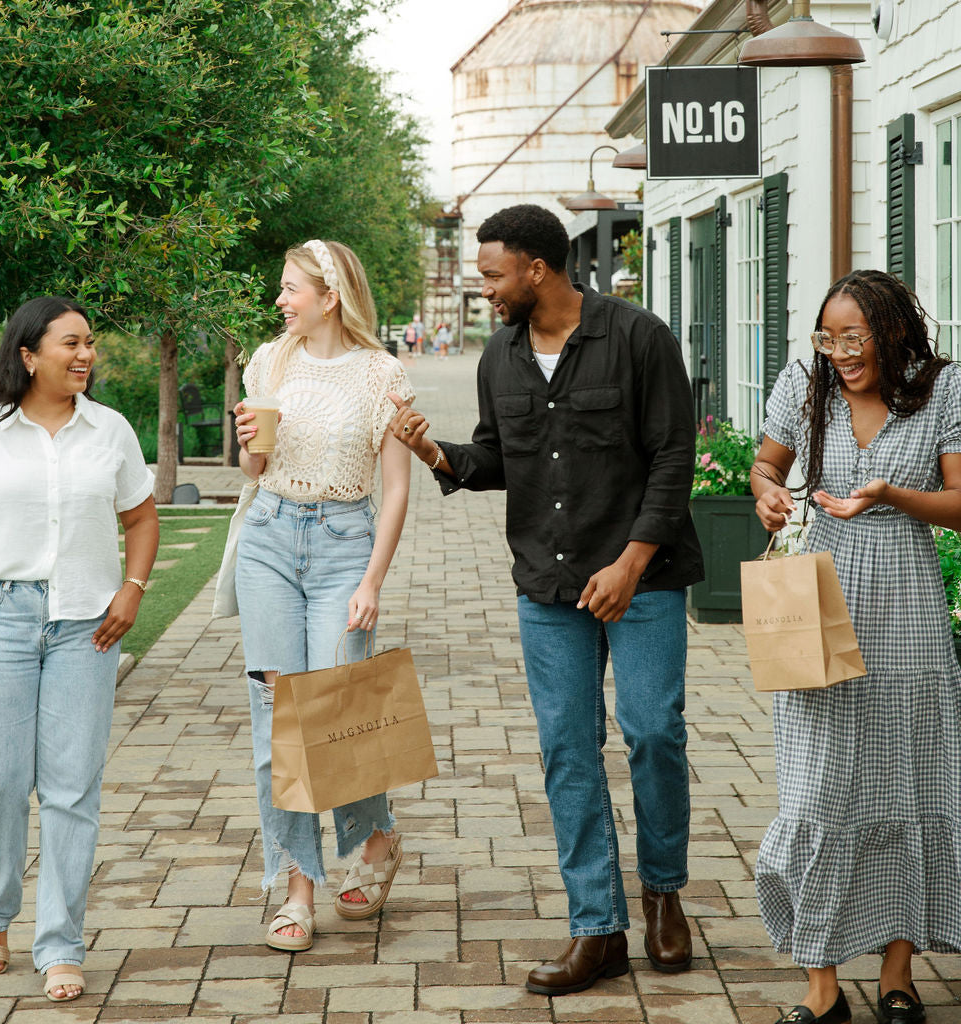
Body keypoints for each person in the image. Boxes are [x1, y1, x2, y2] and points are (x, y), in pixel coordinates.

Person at [388, 204, 703, 996]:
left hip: (644, 578)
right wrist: (436, 452)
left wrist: (631, 561)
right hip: (549, 586)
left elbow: (673, 456)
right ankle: (597, 929)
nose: (484, 288)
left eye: (493, 274)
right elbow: (499, 457)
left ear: (537, 269)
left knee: (654, 733)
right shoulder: (501, 357)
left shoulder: (637, 337)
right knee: (568, 747)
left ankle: (663, 890)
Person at [750, 269, 961, 1024]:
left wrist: (890, 494)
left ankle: (899, 978)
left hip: (905, 607)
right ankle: (822, 988)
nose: (839, 352)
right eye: (828, 337)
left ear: (892, 331)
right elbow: (767, 463)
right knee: (817, 792)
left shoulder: (941, 388)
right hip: (818, 600)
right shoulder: (805, 380)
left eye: (854, 338)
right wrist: (767, 493)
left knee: (907, 784)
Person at [0, 296, 159, 1003]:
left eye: (90, 342)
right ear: (29, 354)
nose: (87, 354)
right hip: (0, 619)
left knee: (71, 788)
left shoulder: (111, 430)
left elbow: (142, 515)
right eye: (72, 343)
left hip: (86, 625)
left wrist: (132, 587)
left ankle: (61, 942)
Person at [232, 239, 414, 952]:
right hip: (270, 537)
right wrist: (250, 442)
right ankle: (298, 886)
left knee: (341, 714)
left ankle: (376, 837)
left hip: (344, 543)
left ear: (330, 295)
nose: (280, 300)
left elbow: (396, 489)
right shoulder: (267, 360)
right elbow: (254, 466)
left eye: (290, 289)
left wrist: (371, 579)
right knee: (279, 718)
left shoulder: (382, 374)